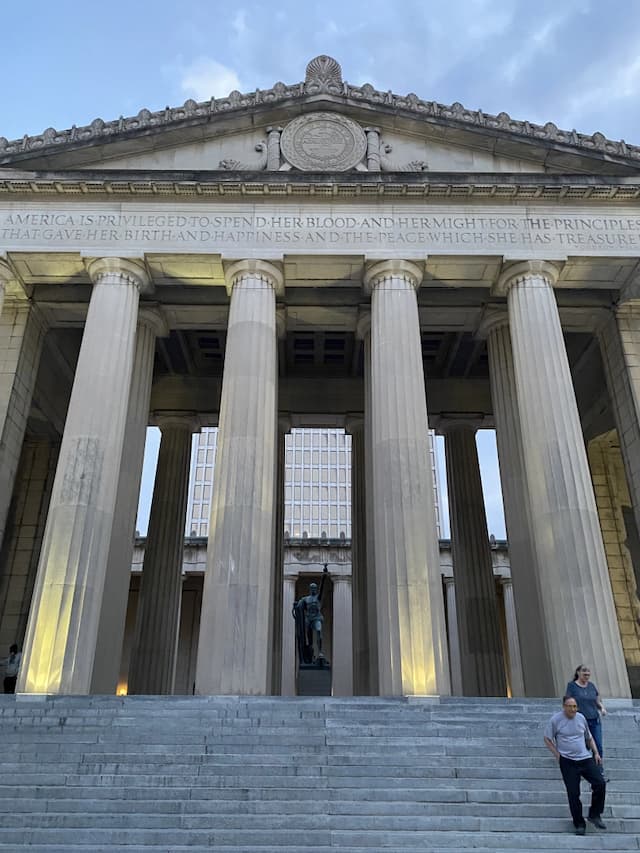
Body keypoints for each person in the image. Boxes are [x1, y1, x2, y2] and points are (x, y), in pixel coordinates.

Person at [544, 695, 606, 835]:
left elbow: (588, 737)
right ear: (564, 707)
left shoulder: (581, 718)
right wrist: (557, 754)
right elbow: (547, 738)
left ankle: (594, 814)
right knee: (573, 793)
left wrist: (596, 753)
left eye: (575, 706)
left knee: (600, 783)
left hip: (585, 758)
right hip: (568, 761)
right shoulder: (556, 720)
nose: (573, 709)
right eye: (570, 706)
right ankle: (579, 824)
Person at [565, 665, 607, 762]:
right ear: (578, 673)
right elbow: (568, 701)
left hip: (594, 720)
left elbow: (597, 700)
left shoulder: (591, 686)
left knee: (598, 746)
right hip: (580, 721)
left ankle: (599, 771)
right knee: (583, 746)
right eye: (584, 671)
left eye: (588, 672)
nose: (586, 674)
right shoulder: (572, 686)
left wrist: (602, 708)